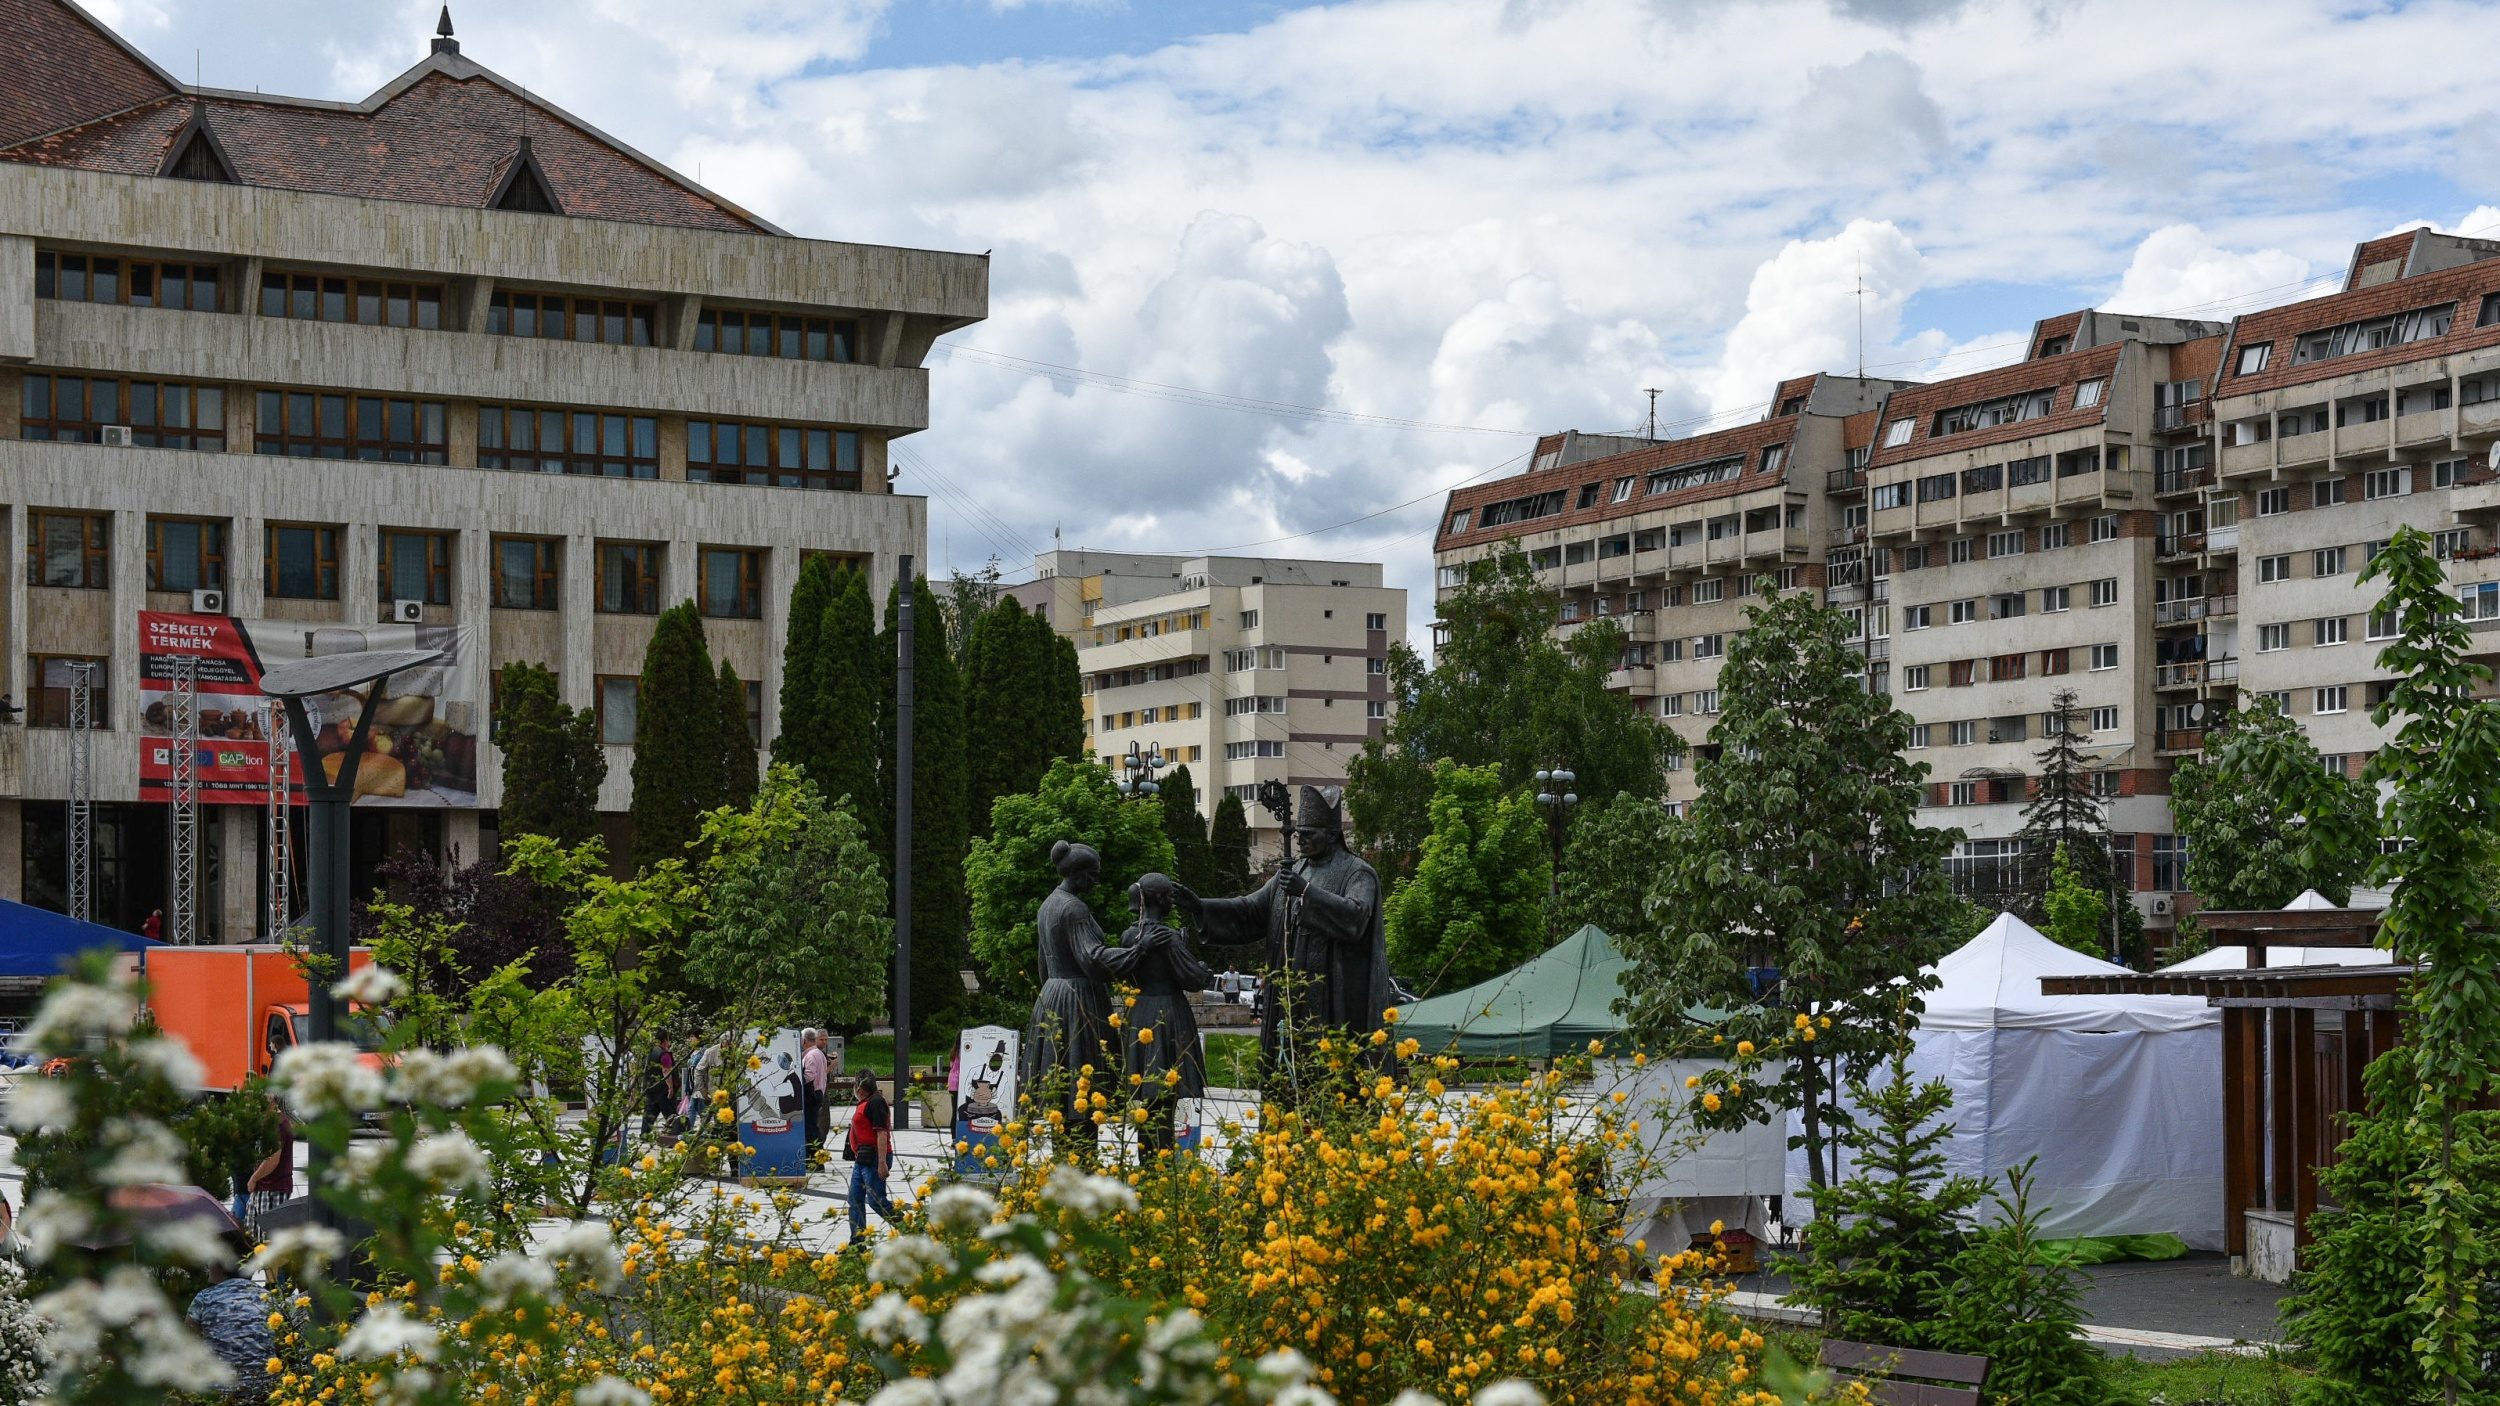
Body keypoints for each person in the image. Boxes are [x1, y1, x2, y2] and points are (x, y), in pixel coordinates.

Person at [1174, 785, 1392, 1105]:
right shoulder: (1293, 871)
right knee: (1284, 1077)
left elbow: (1356, 918)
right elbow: (1250, 911)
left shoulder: (1358, 873)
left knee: (1330, 1078)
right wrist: (1202, 907)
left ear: (1332, 835)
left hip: (1333, 999)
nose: (1300, 838)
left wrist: (1306, 892)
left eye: (1308, 832)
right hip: (1286, 997)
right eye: (1297, 832)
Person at [1095, 872, 1212, 1153]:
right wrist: (1204, 968)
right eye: (1169, 895)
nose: (1172, 900)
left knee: (1147, 1094)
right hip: (1169, 1012)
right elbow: (1193, 978)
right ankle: (1160, 1157)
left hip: (1141, 1012)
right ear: (1160, 899)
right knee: (1165, 1095)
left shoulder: (1129, 936)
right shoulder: (1167, 937)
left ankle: (1147, 1156)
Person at [1022, 839, 1114, 1121]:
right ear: (1079, 873)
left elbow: (1042, 965)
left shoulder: (1047, 905)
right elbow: (1093, 960)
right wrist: (1135, 954)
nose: (1097, 881)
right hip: (1079, 1000)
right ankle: (1081, 1161)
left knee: (1058, 1093)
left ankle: (1067, 1158)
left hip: (1052, 995)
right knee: (1080, 1091)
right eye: (1094, 874)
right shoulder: (1074, 909)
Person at [845, 1070, 896, 1242]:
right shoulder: (866, 1102)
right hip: (862, 1159)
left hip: (874, 1158)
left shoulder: (876, 1103)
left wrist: (882, 1162)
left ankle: (911, 1229)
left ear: (858, 1087)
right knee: (855, 1198)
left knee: (876, 1201)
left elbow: (881, 1133)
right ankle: (857, 1242)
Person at [243, 1103, 293, 1244]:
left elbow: (273, 1159)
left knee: (269, 1242)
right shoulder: (269, 1121)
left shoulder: (278, 1124)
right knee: (253, 1239)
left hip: (273, 1189)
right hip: (262, 1189)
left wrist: (253, 1179)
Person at [642, 1034, 679, 1139]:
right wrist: (670, 1087)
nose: (669, 1043)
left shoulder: (649, 1052)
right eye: (668, 1040)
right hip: (663, 1090)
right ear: (664, 1040)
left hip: (650, 1088)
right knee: (671, 1114)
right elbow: (666, 1070)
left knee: (649, 1113)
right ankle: (674, 1135)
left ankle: (644, 1135)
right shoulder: (664, 1054)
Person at [800, 1028, 830, 1154]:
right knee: (813, 1126)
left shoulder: (811, 1055)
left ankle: (814, 1157)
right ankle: (816, 1156)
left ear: (804, 1040)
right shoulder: (818, 1053)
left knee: (810, 1127)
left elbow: (809, 1076)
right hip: (818, 1093)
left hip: (811, 1095)